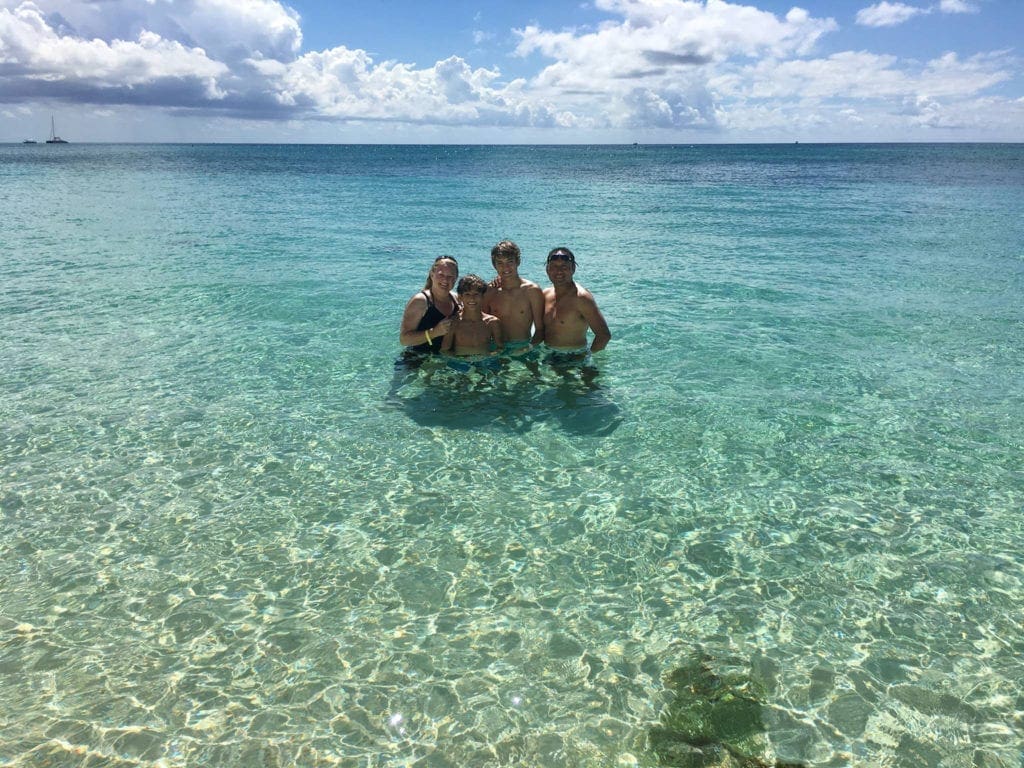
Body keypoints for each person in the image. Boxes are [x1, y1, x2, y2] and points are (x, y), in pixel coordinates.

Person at [542, 247, 611, 356]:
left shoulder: (582, 298)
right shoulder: (544, 294)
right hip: (548, 354)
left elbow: (604, 335)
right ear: (547, 269)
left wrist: (586, 359)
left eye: (564, 267)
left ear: (573, 268)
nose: (559, 271)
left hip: (574, 357)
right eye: (554, 266)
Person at [481, 240, 544, 355]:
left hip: (524, 346)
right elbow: (481, 326)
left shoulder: (532, 291)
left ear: (518, 262)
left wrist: (529, 348)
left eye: (510, 262)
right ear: (494, 265)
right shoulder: (489, 292)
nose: (506, 268)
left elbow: (540, 329)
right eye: (500, 263)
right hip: (497, 348)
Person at [399, 256, 459, 354]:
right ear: (432, 275)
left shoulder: (457, 299)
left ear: (456, 278)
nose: (445, 280)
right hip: (418, 359)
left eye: (450, 276)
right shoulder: (420, 301)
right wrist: (434, 332)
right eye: (441, 275)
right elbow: (404, 339)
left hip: (446, 359)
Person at [441, 275, 503, 357]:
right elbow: (444, 351)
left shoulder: (492, 322)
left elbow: (500, 348)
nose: (472, 299)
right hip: (461, 364)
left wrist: (490, 357)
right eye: (467, 294)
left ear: (483, 296)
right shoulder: (454, 323)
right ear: (460, 297)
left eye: (476, 294)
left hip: (485, 361)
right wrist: (461, 363)